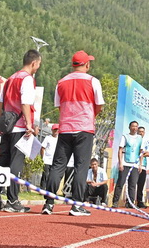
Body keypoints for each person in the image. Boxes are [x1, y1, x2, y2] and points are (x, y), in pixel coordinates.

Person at [44, 50, 104, 216]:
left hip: (65, 129)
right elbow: (99, 105)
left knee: (57, 166)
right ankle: (77, 205)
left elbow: (59, 105)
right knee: (81, 167)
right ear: (87, 64)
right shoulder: (93, 81)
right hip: (84, 129)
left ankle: (48, 204)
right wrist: (89, 116)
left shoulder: (61, 82)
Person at [0, 48, 41, 214]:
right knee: (15, 164)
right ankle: (13, 200)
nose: (38, 67)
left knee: (1, 162)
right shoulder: (27, 79)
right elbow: (25, 103)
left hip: (7, 126)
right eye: (38, 64)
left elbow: (1, 103)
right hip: (19, 127)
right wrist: (28, 125)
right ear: (34, 63)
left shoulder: (11, 78)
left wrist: (1, 123)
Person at [113, 121, 142, 208]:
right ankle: (115, 202)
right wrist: (120, 163)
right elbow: (120, 149)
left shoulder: (140, 138)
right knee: (120, 183)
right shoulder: (125, 136)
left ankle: (130, 203)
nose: (134, 128)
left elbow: (141, 152)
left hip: (135, 165)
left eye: (136, 126)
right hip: (125, 163)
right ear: (129, 127)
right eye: (133, 126)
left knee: (132, 185)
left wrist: (140, 164)